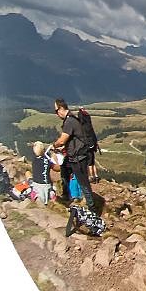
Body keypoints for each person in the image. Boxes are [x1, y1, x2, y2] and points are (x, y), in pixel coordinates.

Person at [50, 98, 98, 233]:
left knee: (84, 184)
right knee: (64, 170)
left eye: (55, 111)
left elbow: (63, 139)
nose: (56, 114)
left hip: (79, 158)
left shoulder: (69, 121)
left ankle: (93, 211)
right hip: (75, 157)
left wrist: (54, 145)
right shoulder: (71, 120)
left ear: (60, 109)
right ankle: (68, 196)